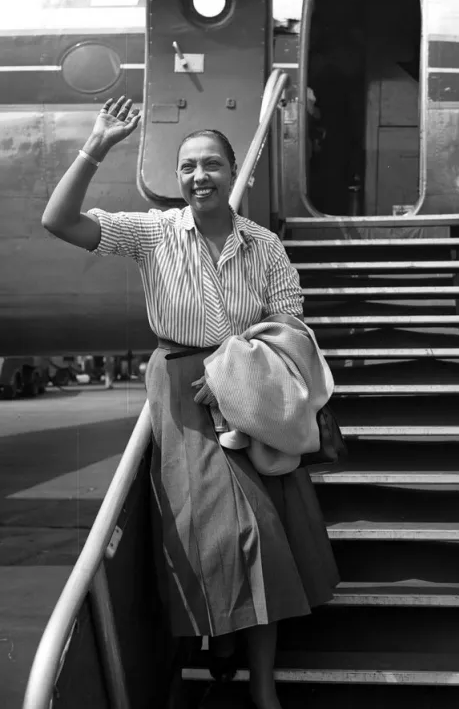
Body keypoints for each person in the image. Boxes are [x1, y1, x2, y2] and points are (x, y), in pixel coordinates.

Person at [41, 95, 339, 709]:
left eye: (211, 164)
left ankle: (260, 683)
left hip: (251, 393)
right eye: (187, 168)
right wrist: (96, 145)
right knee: (220, 535)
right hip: (181, 390)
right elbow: (60, 221)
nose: (198, 176)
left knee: (265, 538)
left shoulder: (264, 246)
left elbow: (291, 326)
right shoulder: (154, 233)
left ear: (235, 172)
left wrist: (235, 372)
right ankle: (223, 643)